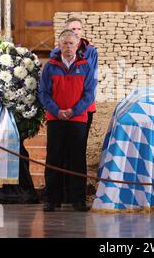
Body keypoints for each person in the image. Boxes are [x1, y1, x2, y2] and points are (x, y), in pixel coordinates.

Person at [39, 29, 95, 212]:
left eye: (71, 43)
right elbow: (43, 93)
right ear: (59, 45)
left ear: (77, 45)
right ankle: (52, 200)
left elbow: (89, 95)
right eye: (65, 43)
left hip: (78, 119)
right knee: (54, 158)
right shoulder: (50, 66)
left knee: (77, 160)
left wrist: (73, 111)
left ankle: (78, 200)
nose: (68, 47)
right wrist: (57, 110)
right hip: (55, 119)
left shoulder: (86, 66)